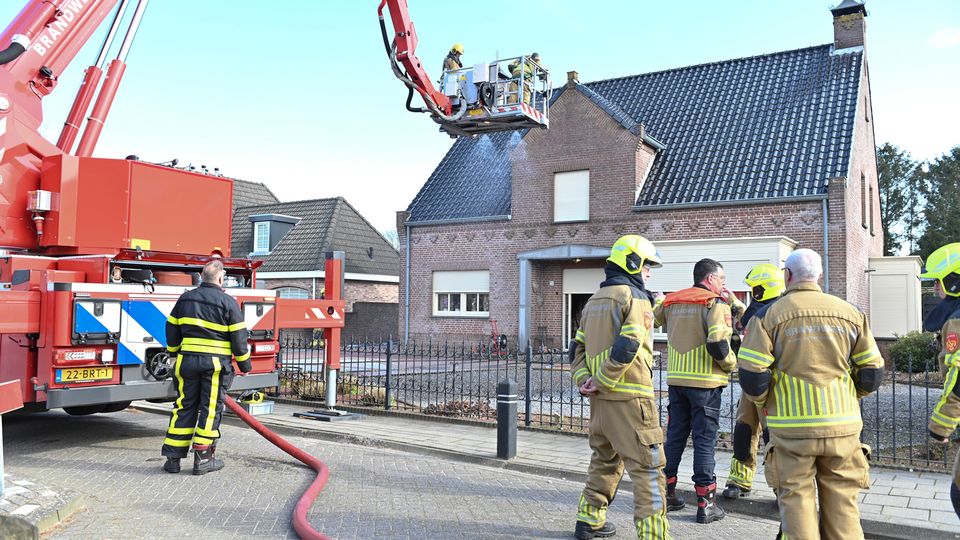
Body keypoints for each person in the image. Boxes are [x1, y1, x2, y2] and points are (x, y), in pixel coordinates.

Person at [739, 248, 883, 539]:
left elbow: (752, 376)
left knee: (797, 504)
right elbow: (872, 372)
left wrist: (766, 402)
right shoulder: (851, 313)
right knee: (844, 507)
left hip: (791, 431)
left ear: (787, 276)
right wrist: (850, 395)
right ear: (820, 276)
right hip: (843, 428)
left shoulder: (768, 316)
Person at [569, 235, 670, 539]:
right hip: (631, 399)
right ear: (633, 263)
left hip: (600, 403)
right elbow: (628, 345)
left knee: (604, 460)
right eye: (647, 265)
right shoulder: (634, 297)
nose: (649, 272)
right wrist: (602, 380)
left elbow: (576, 349)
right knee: (648, 468)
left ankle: (589, 521)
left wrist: (585, 381)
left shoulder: (594, 300)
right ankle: (654, 535)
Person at [653, 259, 739, 524]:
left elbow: (655, 317)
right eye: (722, 279)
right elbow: (718, 343)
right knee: (703, 441)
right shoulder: (714, 303)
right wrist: (732, 365)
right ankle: (706, 504)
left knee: (675, 438)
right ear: (711, 278)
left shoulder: (672, 301)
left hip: (677, 381)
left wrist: (659, 300)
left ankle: (667, 495)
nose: (724, 284)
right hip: (705, 384)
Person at [160, 260, 251, 475]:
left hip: (186, 363)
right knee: (209, 409)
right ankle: (202, 459)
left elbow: (171, 328)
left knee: (184, 406)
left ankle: (173, 459)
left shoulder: (185, 299)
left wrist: (173, 354)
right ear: (221, 278)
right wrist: (244, 364)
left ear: (201, 277)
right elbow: (239, 338)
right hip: (215, 365)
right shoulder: (228, 302)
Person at [722, 263, 785, 499]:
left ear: (767, 288)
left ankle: (781, 486)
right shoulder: (757, 310)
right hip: (750, 382)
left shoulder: (780, 312)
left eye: (756, 288)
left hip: (772, 385)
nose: (753, 292)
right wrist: (733, 301)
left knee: (772, 436)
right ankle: (739, 480)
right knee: (743, 430)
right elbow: (746, 319)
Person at [922, 243, 960, 519]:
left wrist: (940, 426)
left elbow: (958, 378)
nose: (935, 287)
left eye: (938, 280)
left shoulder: (957, 321)